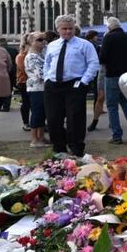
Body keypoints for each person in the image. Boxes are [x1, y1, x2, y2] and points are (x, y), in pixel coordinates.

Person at [43, 15, 100, 157]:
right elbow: (47, 63)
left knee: (75, 118)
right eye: (64, 29)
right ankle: (59, 147)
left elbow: (93, 63)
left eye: (70, 28)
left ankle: (76, 148)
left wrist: (84, 82)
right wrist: (46, 78)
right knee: (53, 118)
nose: (68, 31)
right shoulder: (52, 45)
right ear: (58, 29)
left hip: (74, 85)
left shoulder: (84, 44)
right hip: (53, 85)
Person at [100, 17, 127, 144]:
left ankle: (116, 135)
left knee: (112, 106)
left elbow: (103, 57)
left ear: (109, 28)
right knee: (125, 101)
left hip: (112, 75)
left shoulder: (108, 38)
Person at [24, 32, 48, 148]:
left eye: (44, 39)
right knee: (37, 113)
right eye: (39, 40)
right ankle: (34, 139)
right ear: (31, 42)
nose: (43, 41)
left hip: (43, 88)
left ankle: (41, 136)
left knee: (42, 113)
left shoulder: (42, 53)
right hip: (37, 88)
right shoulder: (32, 56)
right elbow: (40, 74)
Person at [85, 30, 106, 132]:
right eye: (96, 36)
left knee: (97, 93)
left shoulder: (90, 44)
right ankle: (96, 111)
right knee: (97, 93)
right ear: (92, 36)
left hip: (93, 70)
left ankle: (97, 111)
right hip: (94, 70)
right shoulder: (92, 45)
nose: (97, 38)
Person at [14, 34, 31, 131]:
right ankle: (26, 123)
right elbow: (25, 70)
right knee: (26, 103)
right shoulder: (21, 56)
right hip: (24, 82)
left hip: (34, 82)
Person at [0, 37, 18, 112]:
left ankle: (2, 106)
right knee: (9, 89)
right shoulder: (13, 50)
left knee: (0, 90)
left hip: (2, 72)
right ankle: (6, 106)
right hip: (12, 72)